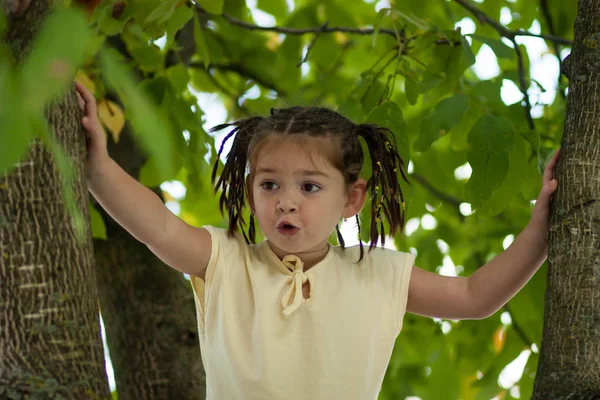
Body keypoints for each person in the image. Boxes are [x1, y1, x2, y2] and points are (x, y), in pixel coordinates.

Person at [75, 80, 560, 400]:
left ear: (351, 199)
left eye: (309, 186)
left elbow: (475, 297)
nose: (287, 201)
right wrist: (96, 165)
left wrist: (541, 231)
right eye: (269, 185)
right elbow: (156, 225)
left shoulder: (378, 274)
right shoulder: (226, 260)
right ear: (250, 192)